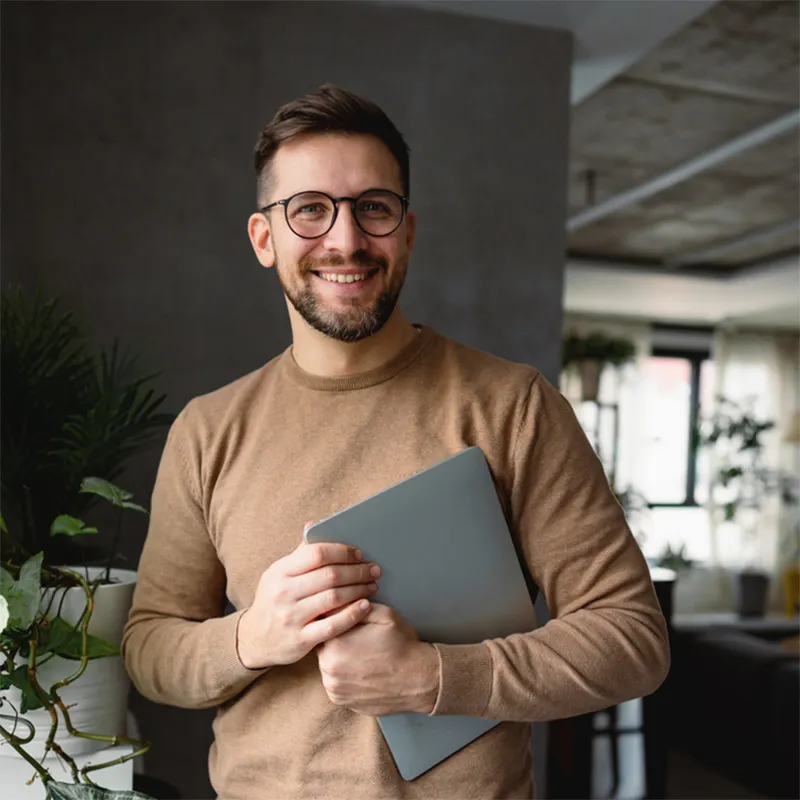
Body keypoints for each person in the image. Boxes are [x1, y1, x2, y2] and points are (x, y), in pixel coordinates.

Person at [122, 84, 670, 800]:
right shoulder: (208, 429)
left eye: (373, 208)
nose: (345, 240)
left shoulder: (513, 406)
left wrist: (435, 677)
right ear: (265, 239)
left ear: (406, 231)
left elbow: (632, 639)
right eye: (309, 209)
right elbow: (148, 650)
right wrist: (249, 637)